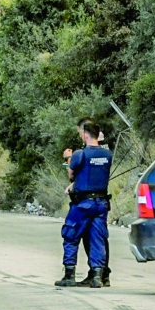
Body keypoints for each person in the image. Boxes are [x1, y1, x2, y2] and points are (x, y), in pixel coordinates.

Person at [55, 118, 112, 289]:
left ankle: (69, 275)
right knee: (97, 239)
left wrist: (68, 159)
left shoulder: (80, 154)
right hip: (101, 203)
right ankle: (97, 277)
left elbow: (72, 175)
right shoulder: (107, 154)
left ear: (86, 135)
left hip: (83, 204)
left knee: (71, 235)